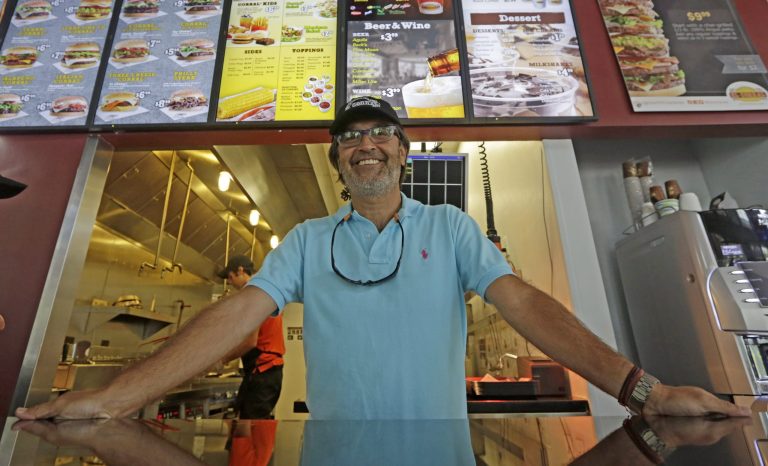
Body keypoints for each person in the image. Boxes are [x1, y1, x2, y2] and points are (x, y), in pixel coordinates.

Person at [16, 97, 749, 421]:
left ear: (402, 150)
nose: (366, 143)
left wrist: (644, 392)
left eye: (381, 134)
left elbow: (524, 303)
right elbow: (238, 314)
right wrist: (115, 398)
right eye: (351, 138)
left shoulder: (454, 228)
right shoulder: (305, 241)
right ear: (338, 160)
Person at [218, 255, 285, 419]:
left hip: (263, 372)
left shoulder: (254, 293)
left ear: (241, 270)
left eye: (231, 277)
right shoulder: (264, 289)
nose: (230, 282)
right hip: (264, 373)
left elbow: (250, 341)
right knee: (245, 427)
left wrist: (222, 359)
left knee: (249, 430)